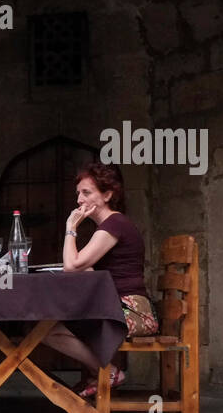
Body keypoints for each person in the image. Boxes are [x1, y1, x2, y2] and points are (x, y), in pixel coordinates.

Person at [41, 160, 158, 397]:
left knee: (46, 327)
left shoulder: (113, 224)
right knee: (48, 323)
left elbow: (71, 266)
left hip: (134, 313)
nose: (79, 200)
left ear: (107, 194)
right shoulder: (109, 226)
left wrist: (70, 227)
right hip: (117, 307)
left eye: (86, 193)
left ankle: (107, 372)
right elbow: (82, 269)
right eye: (78, 194)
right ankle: (100, 374)